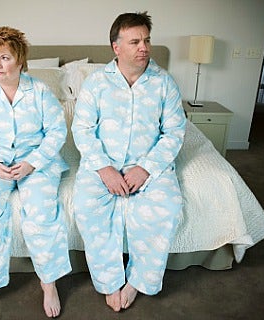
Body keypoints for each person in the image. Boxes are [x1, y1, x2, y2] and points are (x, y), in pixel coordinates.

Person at [71, 12, 187, 312]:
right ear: (116, 47)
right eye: (135, 41)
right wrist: (105, 168)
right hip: (102, 164)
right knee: (86, 207)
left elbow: (174, 132)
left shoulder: (164, 83)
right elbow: (81, 129)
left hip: (148, 163)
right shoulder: (96, 83)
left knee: (168, 207)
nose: (144, 47)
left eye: (147, 40)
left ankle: (137, 281)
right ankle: (109, 281)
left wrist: (146, 167)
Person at [0, 26, 72, 319]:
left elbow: (57, 131)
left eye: (5, 57)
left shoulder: (41, 92)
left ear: (20, 61)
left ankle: (49, 283)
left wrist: (33, 162)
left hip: (35, 163)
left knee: (42, 213)